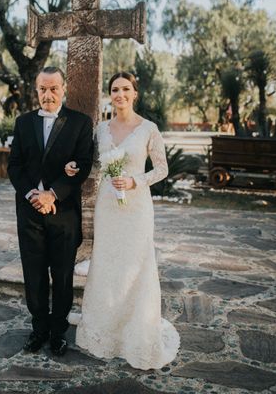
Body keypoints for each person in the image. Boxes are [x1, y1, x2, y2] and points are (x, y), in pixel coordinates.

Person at [69, 72, 180, 370]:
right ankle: (106, 327)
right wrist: (71, 166)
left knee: (136, 262)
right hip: (107, 205)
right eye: (115, 89)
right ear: (111, 95)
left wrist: (134, 181)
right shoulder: (102, 129)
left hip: (136, 206)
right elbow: (92, 163)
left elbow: (162, 169)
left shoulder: (148, 129)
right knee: (106, 262)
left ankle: (136, 327)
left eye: (125, 89)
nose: (120, 94)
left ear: (135, 93)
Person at [7, 66, 94, 356]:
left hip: (64, 213)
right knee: (34, 274)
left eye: (53, 88)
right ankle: (39, 329)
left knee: (63, 275)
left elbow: (82, 164)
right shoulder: (22, 123)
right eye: (42, 89)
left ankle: (58, 332)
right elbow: (15, 166)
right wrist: (34, 194)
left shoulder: (80, 123)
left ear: (63, 88)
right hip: (30, 211)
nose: (48, 94)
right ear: (36, 89)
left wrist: (53, 193)